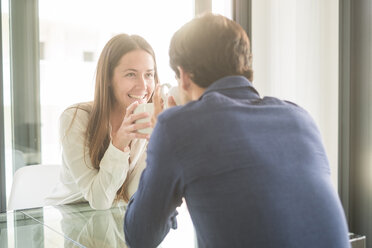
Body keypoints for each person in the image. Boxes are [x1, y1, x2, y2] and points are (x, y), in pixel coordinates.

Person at [124, 13, 351, 248]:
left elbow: (140, 238)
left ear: (183, 76)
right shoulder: (300, 117)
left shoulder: (177, 126)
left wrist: (160, 138)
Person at [45, 33, 160, 210]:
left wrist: (159, 151)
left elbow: (135, 194)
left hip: (115, 222)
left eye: (149, 75)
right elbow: (99, 201)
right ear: (107, 78)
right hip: (68, 220)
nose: (143, 85)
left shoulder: (147, 122)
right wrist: (119, 144)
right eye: (131, 74)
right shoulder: (75, 118)